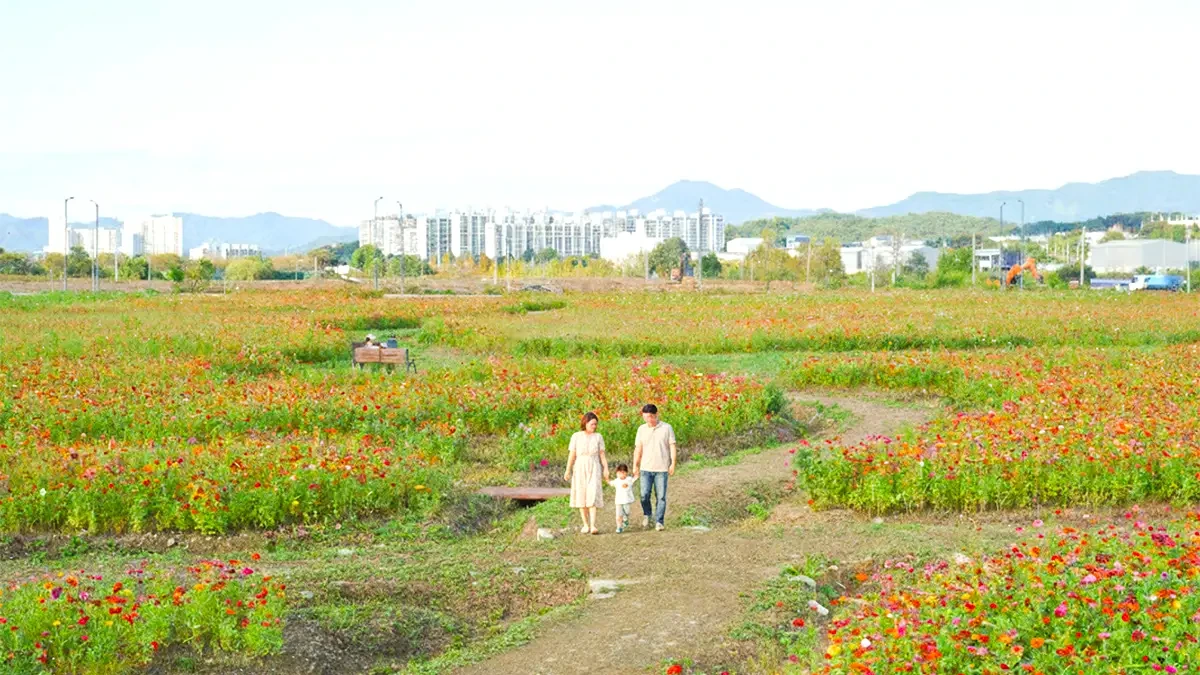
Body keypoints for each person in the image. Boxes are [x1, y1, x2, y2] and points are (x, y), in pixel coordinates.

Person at [632, 403, 676, 531]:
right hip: (645, 468)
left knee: (661, 496)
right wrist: (635, 465)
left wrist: (673, 463)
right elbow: (638, 448)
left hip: (661, 468)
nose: (648, 420)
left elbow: (672, 446)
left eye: (650, 417)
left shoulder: (667, 428)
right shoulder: (641, 429)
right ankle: (647, 514)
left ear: (656, 415)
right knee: (644, 495)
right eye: (645, 417)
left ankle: (659, 521)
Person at [564, 411, 609, 534]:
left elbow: (602, 455)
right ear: (586, 423)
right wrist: (568, 469)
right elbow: (572, 454)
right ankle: (585, 524)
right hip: (580, 466)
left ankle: (593, 525)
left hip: (594, 466)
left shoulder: (598, 437)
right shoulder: (576, 436)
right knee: (581, 494)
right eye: (592, 424)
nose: (594, 427)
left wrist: (606, 468)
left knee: (592, 493)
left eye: (595, 424)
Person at [607, 464, 636, 533]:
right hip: (619, 501)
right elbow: (610, 483)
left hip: (627, 500)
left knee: (627, 512)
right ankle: (619, 527)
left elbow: (635, 478)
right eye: (619, 473)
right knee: (618, 515)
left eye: (623, 473)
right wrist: (606, 478)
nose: (621, 475)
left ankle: (625, 519)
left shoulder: (629, 479)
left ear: (626, 473)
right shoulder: (616, 481)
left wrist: (637, 472)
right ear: (617, 473)